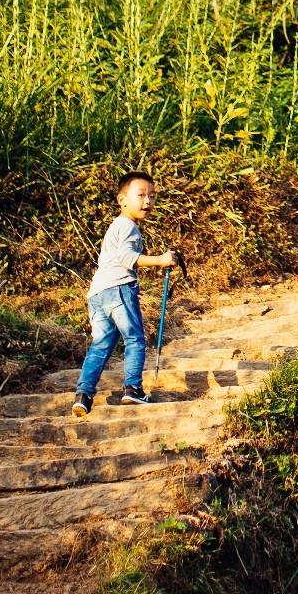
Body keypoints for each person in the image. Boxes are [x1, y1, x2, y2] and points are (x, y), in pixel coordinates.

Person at [72, 171, 181, 416]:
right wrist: (161, 260)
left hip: (97, 293)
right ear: (122, 200)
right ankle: (132, 388)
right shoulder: (129, 226)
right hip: (118, 289)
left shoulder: (116, 226)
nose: (148, 202)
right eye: (141, 195)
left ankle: (83, 395)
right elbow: (127, 259)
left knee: (101, 345)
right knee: (135, 338)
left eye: (152, 196)